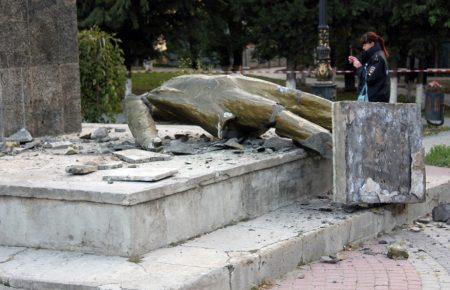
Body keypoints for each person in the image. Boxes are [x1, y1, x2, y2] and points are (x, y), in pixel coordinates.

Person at [348, 32, 390, 102]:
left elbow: (369, 77)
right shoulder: (374, 56)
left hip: (375, 102)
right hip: (374, 100)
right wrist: (358, 61)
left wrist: (359, 67)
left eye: (364, 45)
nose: (363, 47)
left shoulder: (377, 58)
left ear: (372, 44)